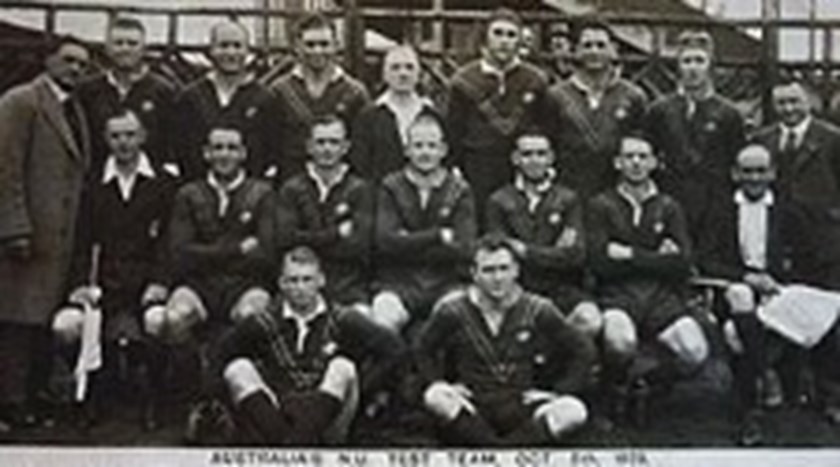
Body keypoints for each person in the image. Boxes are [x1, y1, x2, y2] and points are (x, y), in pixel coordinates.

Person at [51, 109, 176, 430]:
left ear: (143, 137)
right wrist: (81, 285)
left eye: (130, 135)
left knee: (159, 321)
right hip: (103, 283)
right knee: (66, 326)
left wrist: (160, 282)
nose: (124, 143)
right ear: (106, 140)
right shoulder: (93, 183)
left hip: (146, 285)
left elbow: (168, 242)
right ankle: (93, 390)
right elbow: (81, 241)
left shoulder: (163, 183)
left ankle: (154, 396)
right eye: (116, 136)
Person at [211, 246, 404, 445]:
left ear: (321, 280)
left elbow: (394, 349)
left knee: (343, 367)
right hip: (276, 414)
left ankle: (297, 441)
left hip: (328, 416)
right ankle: (289, 443)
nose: (300, 288)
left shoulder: (342, 318)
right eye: (293, 280)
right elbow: (219, 353)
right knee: (238, 369)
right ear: (281, 283)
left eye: (307, 280)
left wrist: (364, 388)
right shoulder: (265, 322)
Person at [416, 234, 595, 446]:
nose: (498, 278)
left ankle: (507, 446)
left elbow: (582, 348)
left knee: (574, 411)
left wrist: (559, 391)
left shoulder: (538, 308)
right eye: (488, 270)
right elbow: (423, 348)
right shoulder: (454, 310)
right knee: (435, 397)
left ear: (516, 271)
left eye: (504, 269)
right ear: (474, 273)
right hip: (475, 403)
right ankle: (493, 445)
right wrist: (439, 382)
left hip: (521, 402)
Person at [0, 37, 91, 430]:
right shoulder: (21, 102)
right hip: (27, 234)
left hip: (58, 237)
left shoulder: (74, 108)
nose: (76, 69)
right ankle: (11, 401)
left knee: (40, 319)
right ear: (48, 60)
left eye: (83, 64)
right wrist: (14, 227)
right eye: (68, 60)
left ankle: (35, 394)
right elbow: (6, 168)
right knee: (16, 320)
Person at [587, 132, 708, 420]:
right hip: (617, 295)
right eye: (629, 157)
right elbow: (600, 264)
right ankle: (614, 388)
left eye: (643, 157)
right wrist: (658, 256)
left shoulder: (668, 206)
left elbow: (683, 263)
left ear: (654, 162)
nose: (636, 163)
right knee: (620, 343)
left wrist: (629, 254)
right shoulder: (600, 205)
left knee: (695, 353)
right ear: (617, 163)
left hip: (661, 298)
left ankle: (648, 384)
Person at [695, 144, 795, 445]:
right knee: (740, 304)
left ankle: (750, 405)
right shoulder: (720, 209)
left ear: (773, 173)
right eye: (747, 171)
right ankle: (763, 381)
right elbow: (706, 260)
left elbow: (804, 256)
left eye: (761, 171)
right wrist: (747, 277)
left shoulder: (788, 209)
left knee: (736, 335)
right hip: (733, 289)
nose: (754, 178)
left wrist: (777, 282)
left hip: (779, 290)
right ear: (735, 174)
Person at [146, 124, 275, 346]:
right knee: (175, 317)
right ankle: (185, 369)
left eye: (232, 148)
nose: (224, 154)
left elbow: (265, 255)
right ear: (206, 153)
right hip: (198, 284)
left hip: (246, 284)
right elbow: (180, 254)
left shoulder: (262, 193)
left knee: (252, 316)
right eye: (218, 148)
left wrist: (203, 253)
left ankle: (241, 368)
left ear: (243, 154)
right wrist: (237, 249)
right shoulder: (188, 194)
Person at [485, 127, 600, 339]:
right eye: (527, 154)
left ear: (551, 158)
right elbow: (500, 253)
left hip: (561, 288)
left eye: (541, 154)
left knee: (590, 321)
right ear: (515, 158)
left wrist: (525, 251)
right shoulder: (499, 200)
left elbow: (575, 255)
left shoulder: (568, 199)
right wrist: (553, 252)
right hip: (518, 289)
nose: (534, 160)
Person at [370, 112, 477, 334]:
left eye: (431, 146)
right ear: (406, 150)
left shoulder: (459, 189)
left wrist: (407, 240)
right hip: (399, 281)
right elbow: (385, 242)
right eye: (418, 146)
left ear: (443, 150)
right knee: (382, 320)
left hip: (447, 282)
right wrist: (438, 236)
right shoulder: (391, 186)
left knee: (455, 321)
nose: (425, 152)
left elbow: (465, 248)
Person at [446, 8, 548, 218]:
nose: (504, 41)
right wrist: (455, 168)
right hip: (478, 168)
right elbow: (454, 131)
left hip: (521, 169)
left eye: (511, 35)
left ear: (519, 41)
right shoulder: (463, 80)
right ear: (486, 37)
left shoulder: (536, 80)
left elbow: (544, 126)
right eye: (498, 33)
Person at [647, 30, 746, 241]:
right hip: (671, 196)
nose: (693, 68)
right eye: (687, 61)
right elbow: (650, 155)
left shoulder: (729, 113)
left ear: (710, 66)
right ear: (678, 66)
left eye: (699, 61)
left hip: (714, 201)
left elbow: (735, 160)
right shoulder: (660, 110)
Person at [544, 18, 648, 199]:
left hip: (616, 195)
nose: (594, 51)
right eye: (587, 45)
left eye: (601, 45)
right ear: (576, 50)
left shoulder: (633, 96)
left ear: (613, 49)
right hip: (568, 192)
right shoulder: (556, 96)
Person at [751, 80, 840, 290]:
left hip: (822, 236)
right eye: (781, 103)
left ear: (808, 102)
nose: (789, 108)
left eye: (794, 101)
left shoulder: (832, 139)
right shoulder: (763, 139)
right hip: (779, 234)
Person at [277, 115, 373, 307]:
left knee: (364, 319)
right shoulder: (292, 188)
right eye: (320, 142)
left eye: (334, 142)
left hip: (348, 287)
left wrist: (307, 238)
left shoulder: (360, 189)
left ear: (345, 147)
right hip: (300, 287)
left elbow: (358, 247)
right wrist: (336, 233)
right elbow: (286, 239)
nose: (327, 149)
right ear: (309, 147)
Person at [174, 20, 279, 181]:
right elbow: (181, 151)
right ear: (211, 50)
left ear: (247, 51)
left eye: (237, 46)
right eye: (223, 46)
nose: (231, 53)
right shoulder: (191, 98)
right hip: (199, 189)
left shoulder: (265, 99)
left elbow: (271, 154)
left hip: (250, 190)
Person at [76, 16, 179, 178]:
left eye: (132, 43)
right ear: (107, 48)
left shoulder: (164, 91)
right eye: (118, 43)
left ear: (143, 49)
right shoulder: (87, 90)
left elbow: (172, 143)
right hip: (97, 181)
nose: (125, 49)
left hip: (149, 183)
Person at [272, 13, 370, 181]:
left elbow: (362, 150)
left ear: (336, 45)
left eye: (324, 44)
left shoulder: (355, 93)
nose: (317, 51)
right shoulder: (280, 91)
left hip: (341, 187)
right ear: (297, 47)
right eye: (310, 45)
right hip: (290, 185)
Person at [351, 44, 437, 183]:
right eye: (395, 67)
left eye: (409, 67)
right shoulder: (368, 117)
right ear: (384, 75)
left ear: (419, 74)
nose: (403, 73)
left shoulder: (432, 114)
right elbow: (361, 166)